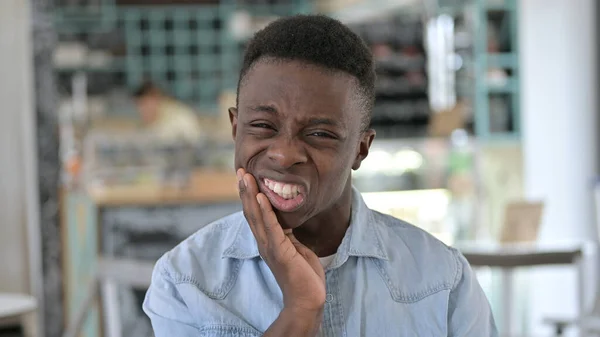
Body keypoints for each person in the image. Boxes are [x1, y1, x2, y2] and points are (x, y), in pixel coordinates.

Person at [143, 15, 497, 336]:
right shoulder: (185, 281)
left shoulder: (443, 281)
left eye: (320, 134)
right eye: (263, 126)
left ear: (361, 148)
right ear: (236, 128)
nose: (284, 153)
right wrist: (300, 310)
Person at [133, 82, 202, 142]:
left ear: (156, 99)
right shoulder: (145, 126)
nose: (142, 111)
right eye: (140, 106)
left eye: (145, 104)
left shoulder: (180, 118)